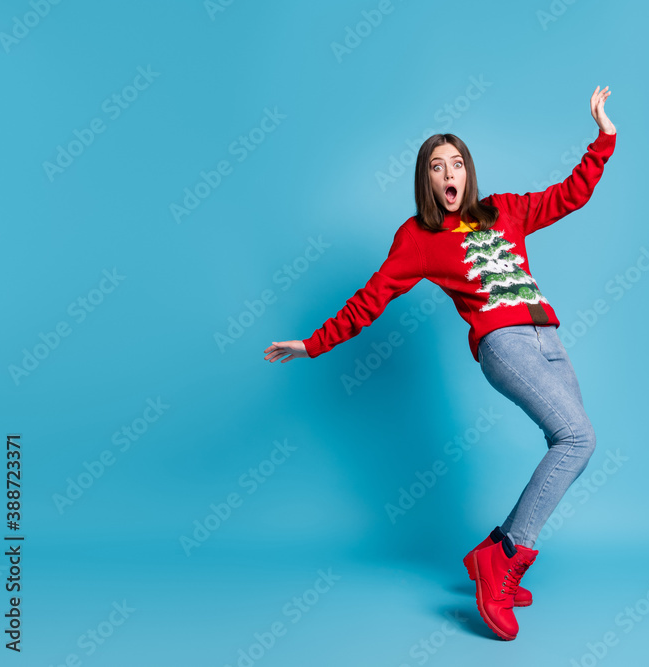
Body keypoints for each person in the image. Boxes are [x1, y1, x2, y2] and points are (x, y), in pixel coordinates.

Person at [264, 85, 616, 640]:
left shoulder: (506, 209)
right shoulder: (420, 238)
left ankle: (493, 553)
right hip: (506, 345)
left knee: (571, 445)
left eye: (456, 163)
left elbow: (569, 194)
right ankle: (505, 560)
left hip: (550, 339)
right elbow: (371, 297)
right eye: (436, 166)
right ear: (426, 179)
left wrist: (604, 136)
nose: (447, 173)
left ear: (467, 173)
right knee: (578, 438)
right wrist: (313, 343)